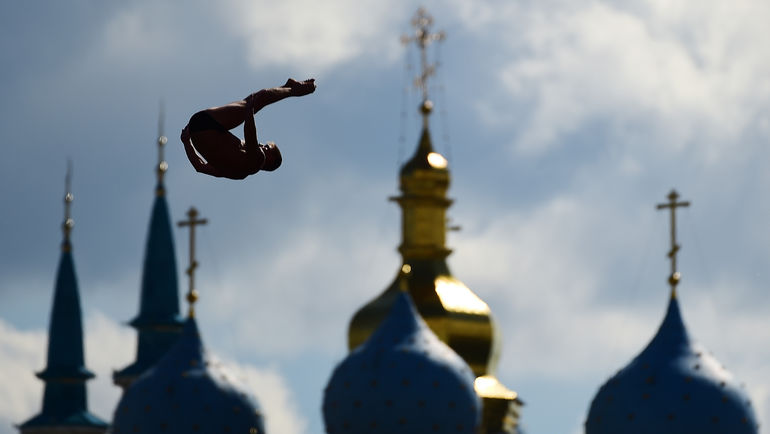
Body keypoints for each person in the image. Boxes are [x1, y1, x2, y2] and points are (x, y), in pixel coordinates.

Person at [181, 78, 316, 179]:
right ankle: (288, 87)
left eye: (267, 147)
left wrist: (249, 112)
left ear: (270, 160)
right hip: (198, 129)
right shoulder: (239, 174)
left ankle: (292, 89)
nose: (262, 145)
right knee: (252, 101)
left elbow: (250, 136)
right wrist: (186, 142)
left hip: (206, 125)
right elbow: (200, 167)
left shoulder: (258, 160)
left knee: (257, 99)